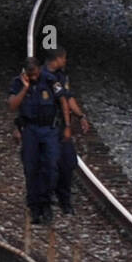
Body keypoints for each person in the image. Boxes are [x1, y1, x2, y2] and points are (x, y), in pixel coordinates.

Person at [9, 57, 61, 225]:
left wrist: (68, 125)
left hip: (49, 129)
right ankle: (34, 207)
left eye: (36, 73)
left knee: (51, 167)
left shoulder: (51, 80)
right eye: (30, 75)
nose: (34, 77)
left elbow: (63, 100)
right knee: (31, 168)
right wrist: (25, 88)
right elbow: (12, 105)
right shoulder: (18, 82)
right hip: (30, 130)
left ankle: (46, 203)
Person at [44, 47, 89, 215]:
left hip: (60, 127)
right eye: (64, 58)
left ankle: (64, 199)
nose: (66, 61)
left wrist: (80, 115)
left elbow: (68, 97)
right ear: (57, 59)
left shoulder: (62, 76)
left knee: (68, 162)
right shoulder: (41, 76)